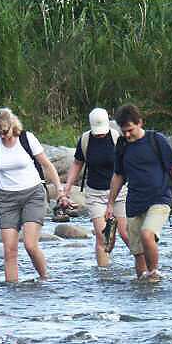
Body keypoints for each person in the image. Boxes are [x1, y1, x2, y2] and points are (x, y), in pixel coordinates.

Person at [0, 107, 65, 283]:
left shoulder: (26, 138)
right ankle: (12, 290)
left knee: (30, 245)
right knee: (9, 250)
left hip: (33, 194)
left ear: (12, 125)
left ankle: (45, 279)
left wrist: (60, 191)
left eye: (5, 132)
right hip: (8, 199)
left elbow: (47, 166)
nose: (2, 136)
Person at [105, 104, 172, 282]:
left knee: (147, 234)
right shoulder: (122, 145)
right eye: (124, 131)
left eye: (130, 130)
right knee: (137, 253)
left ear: (140, 123)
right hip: (134, 203)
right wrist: (110, 203)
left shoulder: (156, 140)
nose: (127, 135)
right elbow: (118, 176)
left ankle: (154, 274)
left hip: (159, 198)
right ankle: (144, 288)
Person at [60, 108, 129, 267]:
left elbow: (129, 161)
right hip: (95, 194)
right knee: (104, 237)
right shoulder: (85, 140)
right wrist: (68, 187)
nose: (100, 134)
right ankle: (104, 275)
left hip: (120, 192)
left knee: (126, 234)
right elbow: (77, 163)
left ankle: (144, 267)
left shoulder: (117, 137)